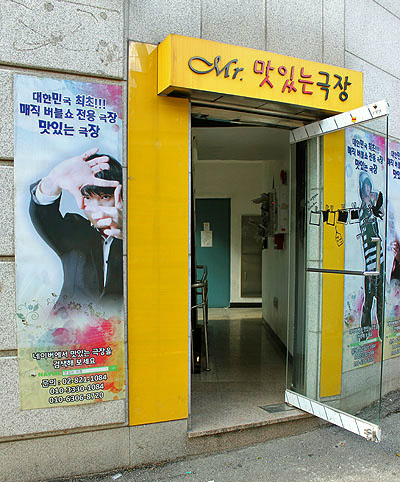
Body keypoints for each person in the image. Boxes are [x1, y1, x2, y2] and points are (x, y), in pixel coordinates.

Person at [29, 148, 123, 312]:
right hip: (66, 325)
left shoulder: (141, 236)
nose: (96, 207)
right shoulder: (73, 230)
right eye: (88, 198)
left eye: (105, 197)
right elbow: (42, 212)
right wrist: (53, 180)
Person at [358, 172, 384, 341]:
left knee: (380, 299)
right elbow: (367, 235)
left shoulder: (373, 209)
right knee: (369, 302)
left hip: (379, 261)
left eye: (369, 185)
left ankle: (381, 332)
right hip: (370, 263)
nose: (368, 188)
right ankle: (365, 333)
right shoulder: (363, 210)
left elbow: (381, 215)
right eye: (365, 186)